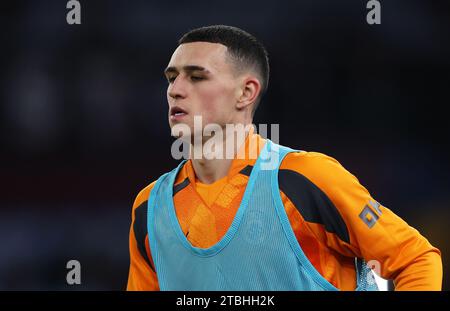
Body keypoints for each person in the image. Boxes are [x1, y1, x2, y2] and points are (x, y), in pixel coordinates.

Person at [126, 25, 442, 291]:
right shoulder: (149, 208)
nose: (176, 90)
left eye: (196, 76)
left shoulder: (306, 179)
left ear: (246, 93)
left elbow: (415, 259)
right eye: (172, 77)